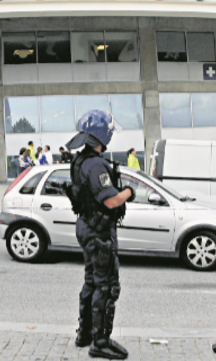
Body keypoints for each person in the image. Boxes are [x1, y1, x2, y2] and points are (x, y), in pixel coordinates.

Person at [66, 110, 133, 359]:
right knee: (107, 287)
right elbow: (111, 201)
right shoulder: (95, 164)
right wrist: (128, 192)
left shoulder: (80, 160)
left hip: (86, 226)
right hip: (98, 230)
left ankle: (84, 334)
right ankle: (100, 341)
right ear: (100, 135)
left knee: (91, 281)